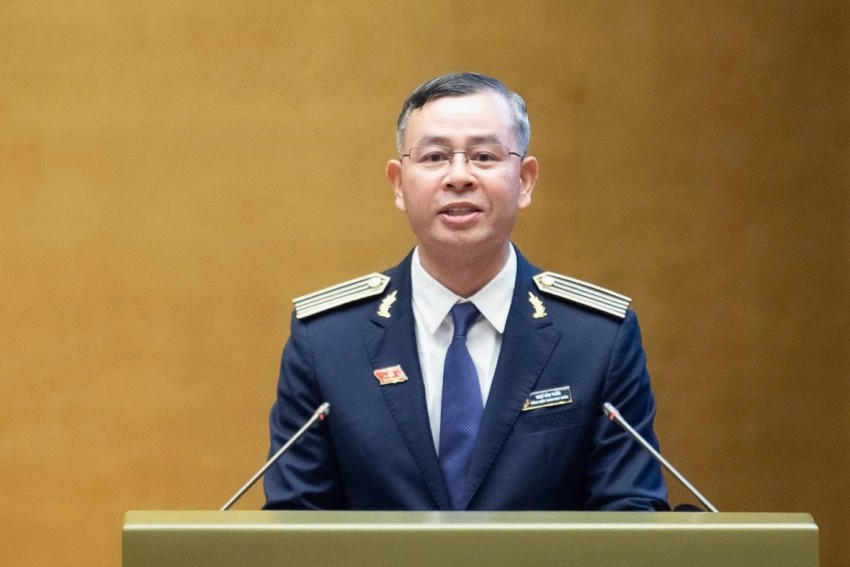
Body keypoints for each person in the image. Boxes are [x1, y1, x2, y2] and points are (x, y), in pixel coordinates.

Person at [263, 72, 668, 511]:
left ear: (525, 180)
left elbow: (629, 515)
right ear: (398, 184)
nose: (459, 177)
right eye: (435, 157)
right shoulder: (327, 341)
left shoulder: (596, 339)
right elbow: (296, 520)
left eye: (484, 156)